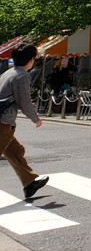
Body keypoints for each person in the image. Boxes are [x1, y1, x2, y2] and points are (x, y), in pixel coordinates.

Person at [0, 43, 49, 199]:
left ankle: (30, 182)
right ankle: (29, 182)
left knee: (15, 151)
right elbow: (25, 102)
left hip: (5, 122)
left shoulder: (8, 73)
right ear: (31, 60)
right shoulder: (22, 76)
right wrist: (36, 119)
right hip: (3, 123)